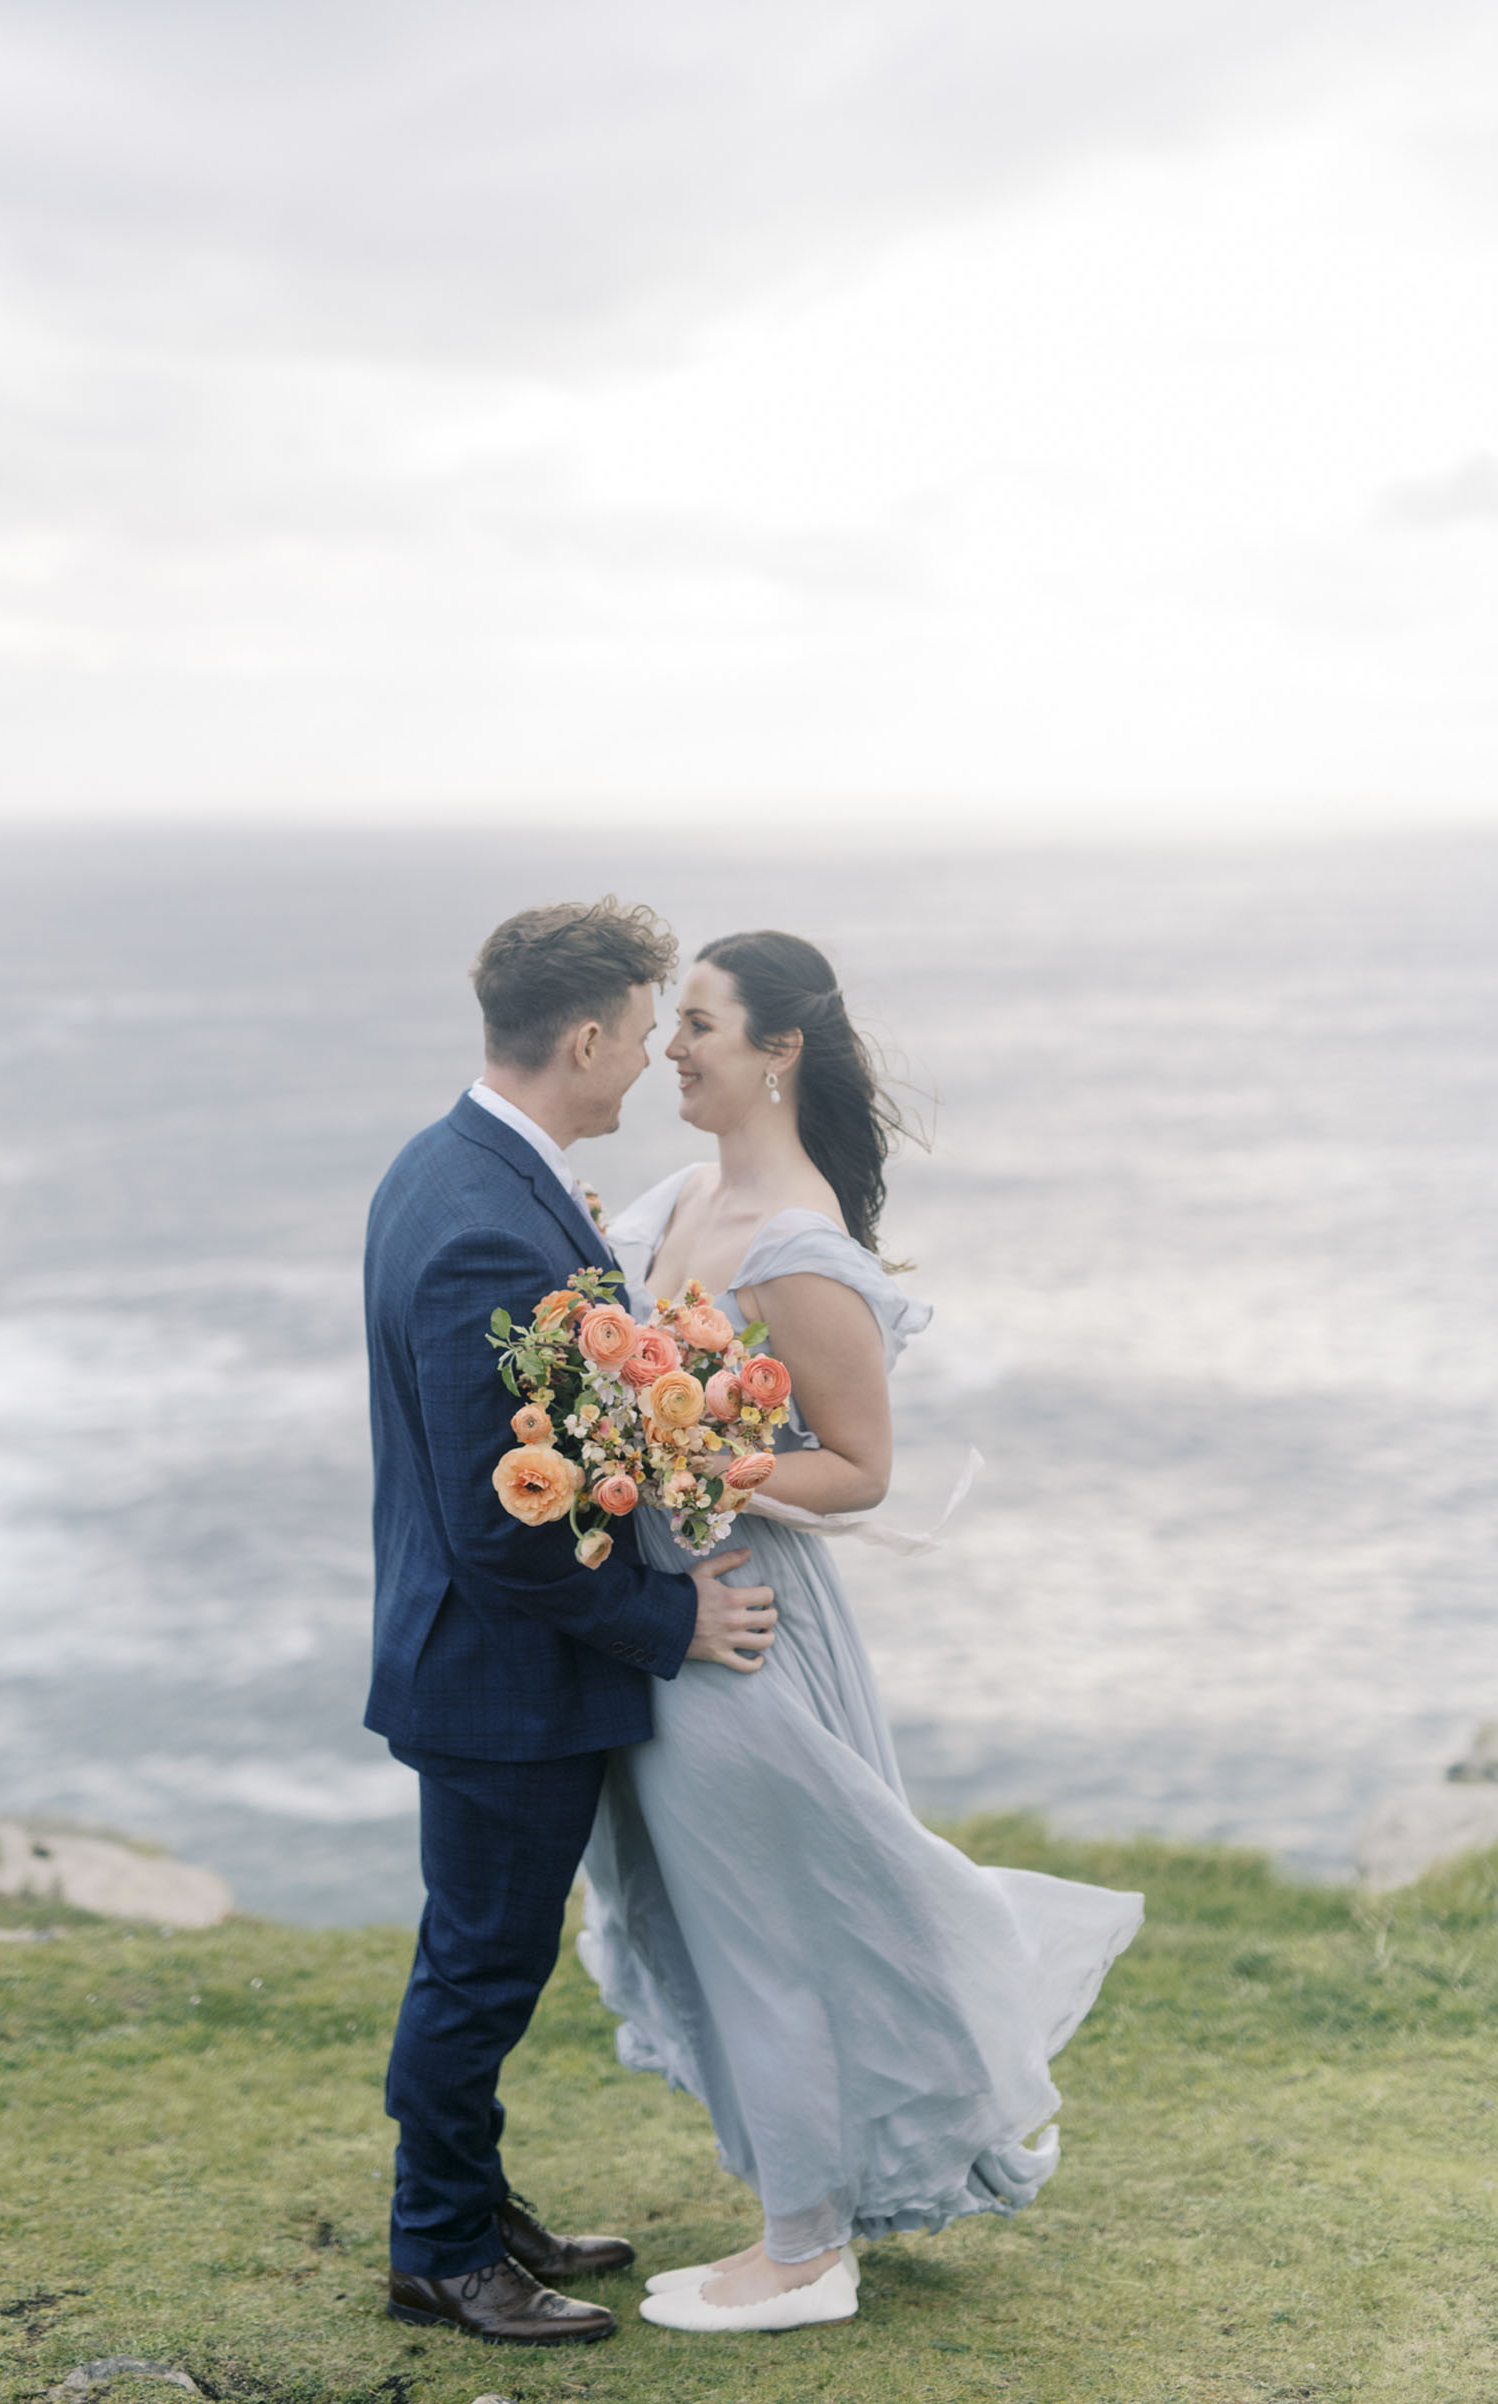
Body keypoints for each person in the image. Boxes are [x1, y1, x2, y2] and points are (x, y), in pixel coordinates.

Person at [581, 929, 1145, 2334]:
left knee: (772, 1925)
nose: (673, 1047)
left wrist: (693, 1457)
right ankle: (804, 2217)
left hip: (744, 1626)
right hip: (667, 1615)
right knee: (726, 1922)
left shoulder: (801, 1251)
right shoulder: (672, 1199)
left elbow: (859, 1468)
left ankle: (805, 2250)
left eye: (700, 1024)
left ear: (779, 1051)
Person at [362, 898, 778, 2349]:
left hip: (477, 1665)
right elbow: (502, 1527)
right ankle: (438, 2250)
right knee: (480, 1961)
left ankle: (473, 2204)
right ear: (585, 1035)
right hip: (496, 1679)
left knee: (480, 1949)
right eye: (647, 1026)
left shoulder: (454, 1166)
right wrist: (668, 1618)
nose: (655, 1053)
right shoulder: (487, 1220)